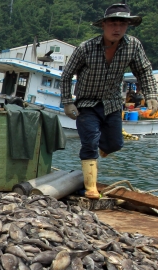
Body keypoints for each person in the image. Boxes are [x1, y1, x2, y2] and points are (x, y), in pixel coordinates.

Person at [60, 3, 158, 200]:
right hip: (87, 104)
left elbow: (144, 71)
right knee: (89, 142)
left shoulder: (133, 46)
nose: (117, 29)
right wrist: (67, 101)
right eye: (113, 24)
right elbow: (67, 74)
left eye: (122, 24)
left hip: (112, 103)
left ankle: (99, 153)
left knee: (115, 144)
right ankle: (91, 188)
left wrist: (151, 95)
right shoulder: (86, 48)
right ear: (104, 25)